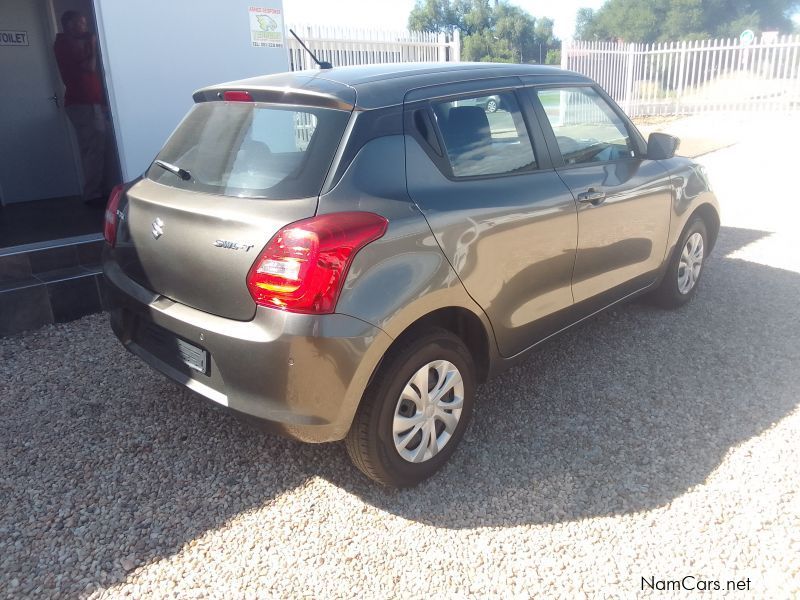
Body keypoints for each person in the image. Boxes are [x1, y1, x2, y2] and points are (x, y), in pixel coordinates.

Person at [53, 11, 107, 205]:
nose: (85, 27)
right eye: (81, 23)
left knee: (94, 148)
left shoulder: (70, 43)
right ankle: (93, 194)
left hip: (89, 103)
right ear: (69, 25)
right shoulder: (65, 43)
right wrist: (92, 45)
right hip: (83, 104)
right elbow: (90, 67)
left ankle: (95, 191)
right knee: (93, 148)